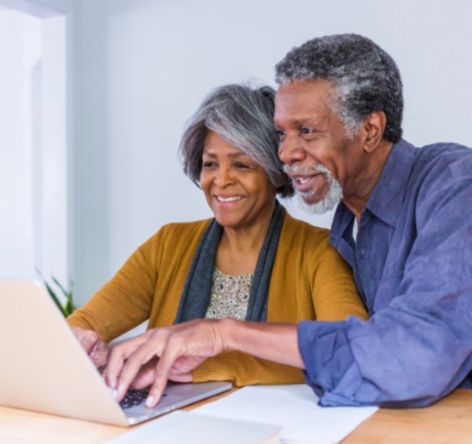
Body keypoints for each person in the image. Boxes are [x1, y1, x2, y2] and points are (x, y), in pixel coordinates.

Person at [104, 33, 472, 410]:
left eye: (307, 131)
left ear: (369, 130)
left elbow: (412, 359)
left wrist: (224, 334)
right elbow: (359, 357)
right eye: (282, 133)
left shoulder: (456, 185)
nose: (287, 153)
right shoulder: (350, 223)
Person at [68, 83, 367, 389]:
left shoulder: (320, 252)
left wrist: (195, 366)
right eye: (210, 164)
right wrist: (84, 342)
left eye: (241, 164)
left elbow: (350, 353)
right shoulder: (168, 245)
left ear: (276, 172)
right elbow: (83, 324)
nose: (221, 180)